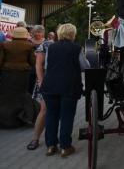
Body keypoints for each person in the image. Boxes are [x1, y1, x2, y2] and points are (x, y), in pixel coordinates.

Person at [40, 23, 89, 157]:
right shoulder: (77, 48)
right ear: (72, 34)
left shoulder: (51, 47)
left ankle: (50, 146)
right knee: (66, 116)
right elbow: (85, 66)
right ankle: (65, 147)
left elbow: (47, 66)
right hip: (69, 86)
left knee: (51, 115)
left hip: (50, 85)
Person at [0, 27, 39, 128]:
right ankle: (24, 117)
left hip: (7, 74)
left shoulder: (5, 45)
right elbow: (33, 62)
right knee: (21, 95)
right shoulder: (29, 46)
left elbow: (0, 61)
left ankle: (5, 120)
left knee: (6, 95)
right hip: (23, 74)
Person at [26, 36, 54, 150]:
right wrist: (41, 81)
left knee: (53, 112)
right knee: (44, 110)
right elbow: (38, 65)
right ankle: (35, 138)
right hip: (46, 81)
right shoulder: (46, 45)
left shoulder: (67, 45)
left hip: (58, 82)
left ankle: (52, 140)